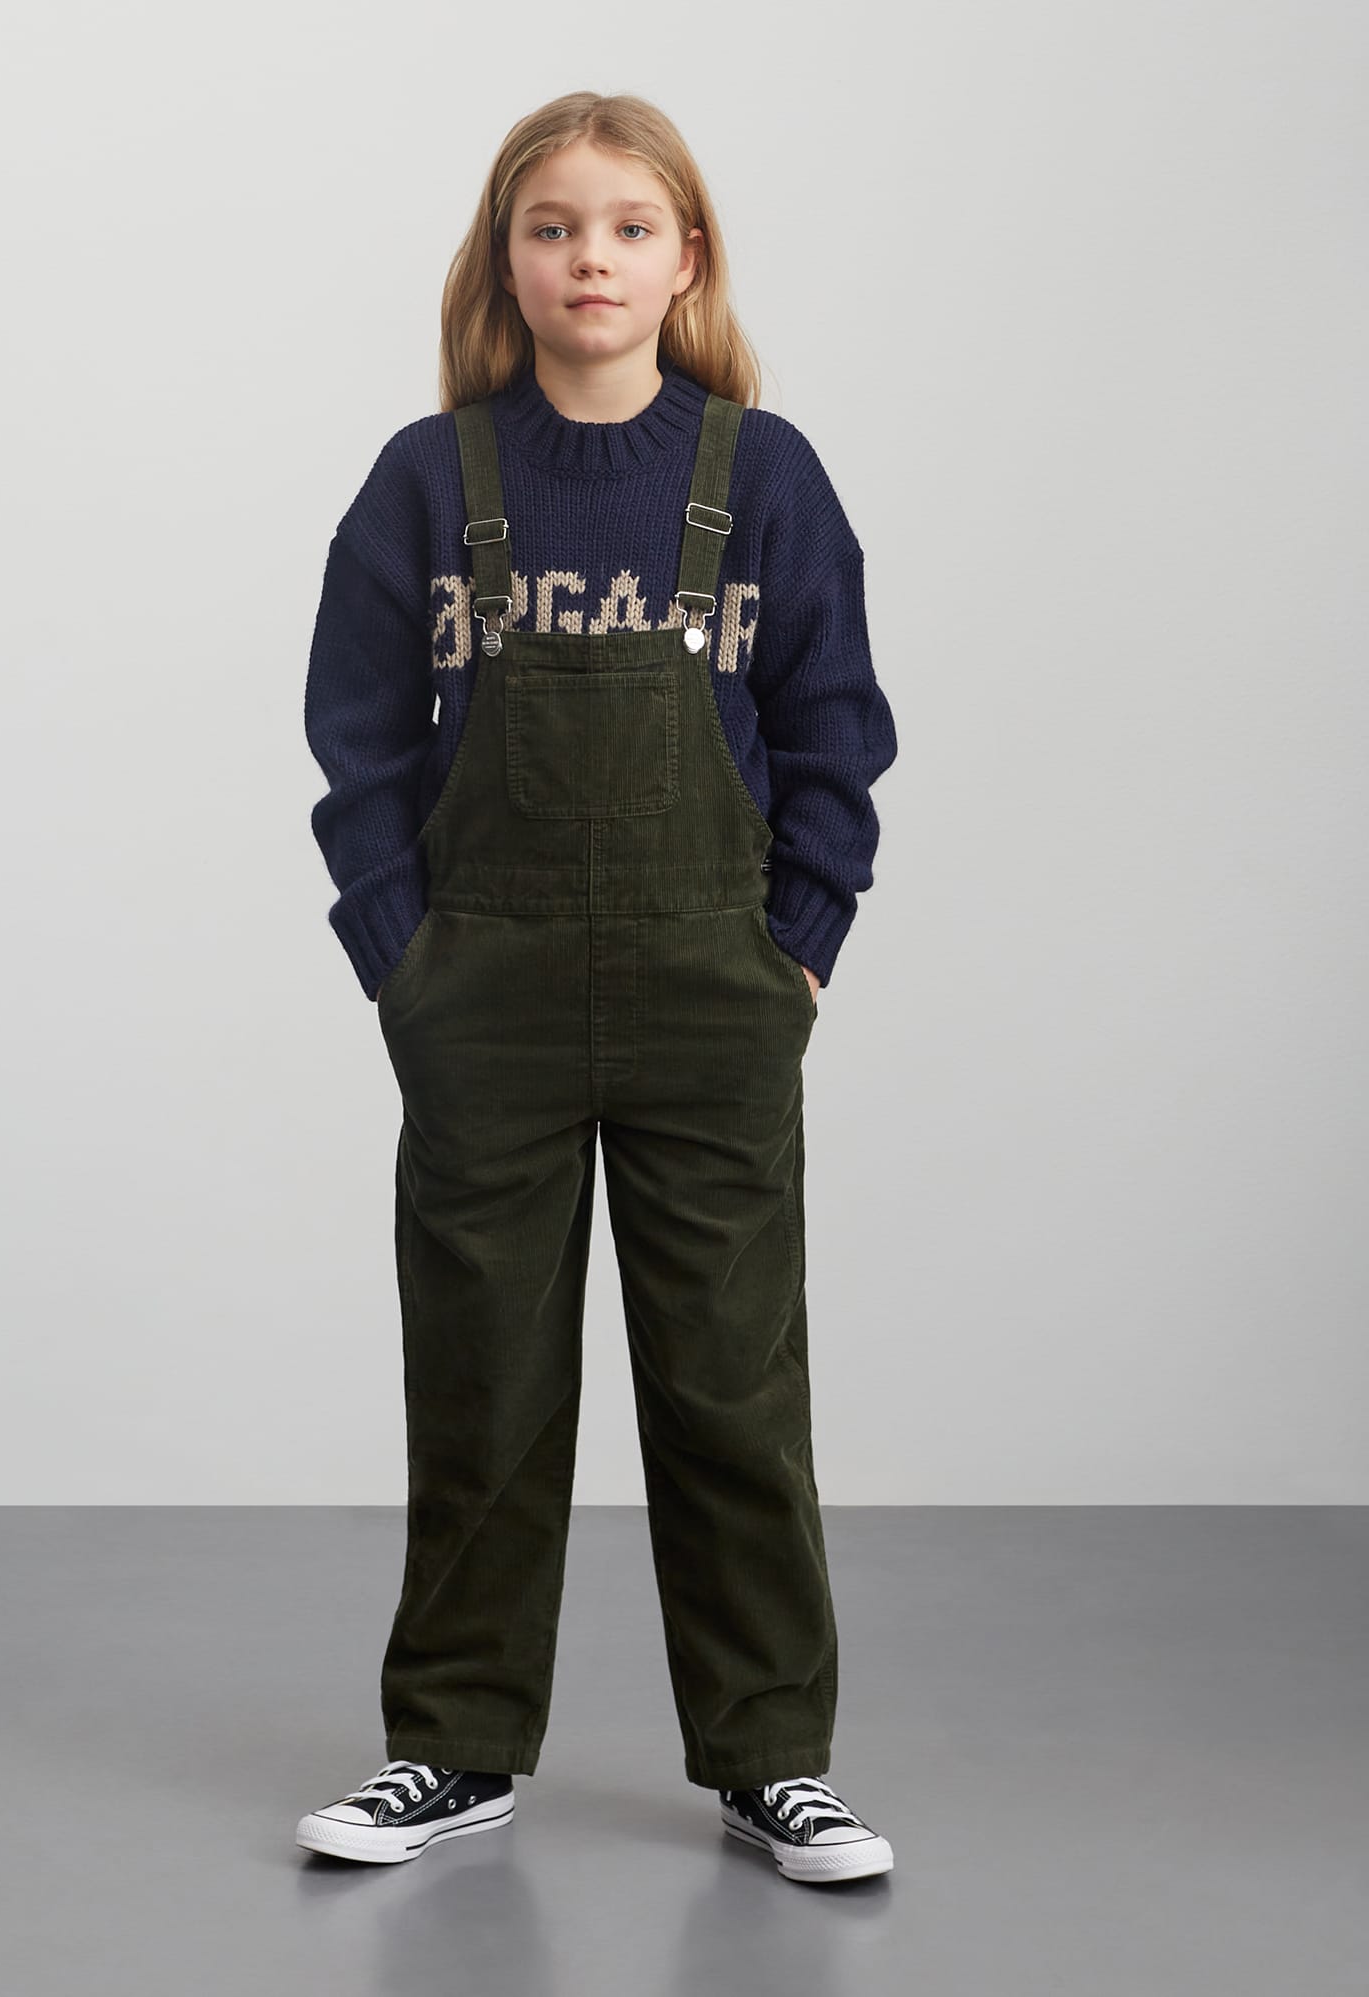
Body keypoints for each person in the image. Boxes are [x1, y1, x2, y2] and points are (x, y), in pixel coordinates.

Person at [294, 91, 899, 1886]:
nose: (591, 260)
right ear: (507, 260)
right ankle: (453, 1744)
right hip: (483, 990)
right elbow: (355, 737)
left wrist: (798, 948)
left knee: (731, 1383)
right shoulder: (429, 479)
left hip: (717, 989)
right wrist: (403, 961)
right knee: (481, 1375)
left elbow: (836, 725)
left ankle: (775, 1759)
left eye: (629, 227)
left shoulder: (765, 476)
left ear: (685, 258)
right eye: (553, 227)